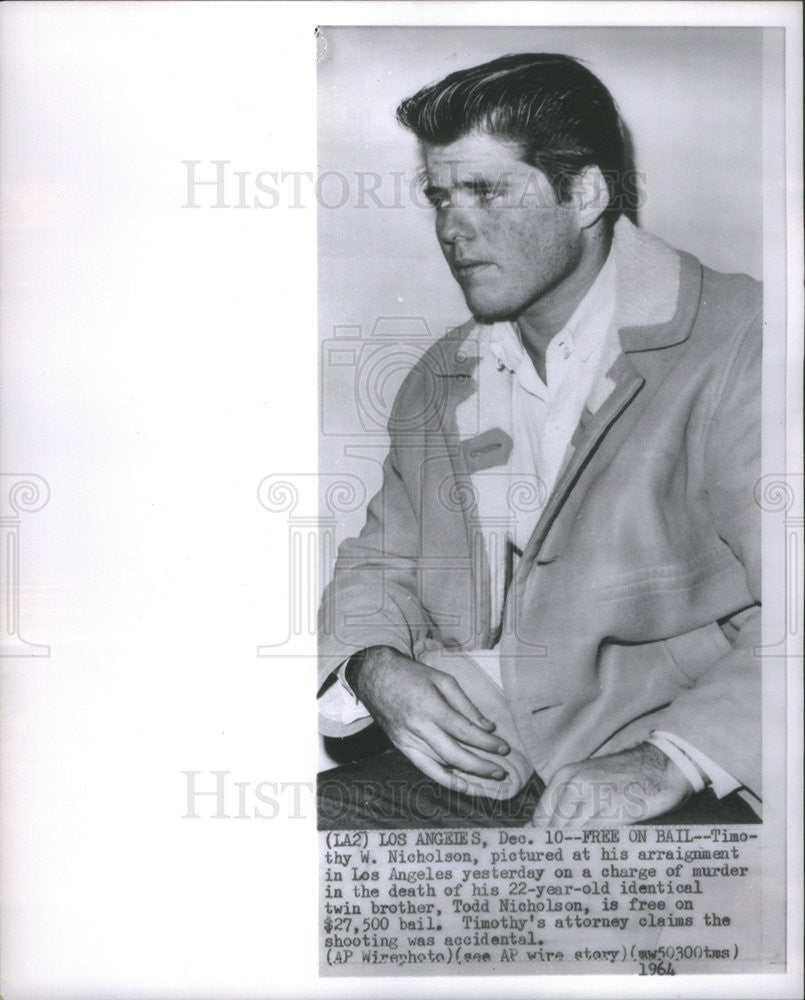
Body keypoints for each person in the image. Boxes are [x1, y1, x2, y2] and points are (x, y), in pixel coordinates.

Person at [316, 53, 762, 829]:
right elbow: (379, 562)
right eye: (439, 196)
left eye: (486, 191)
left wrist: (674, 758)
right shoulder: (438, 374)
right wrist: (372, 666)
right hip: (493, 761)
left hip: (696, 768)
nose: (452, 228)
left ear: (584, 194)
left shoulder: (748, 340)